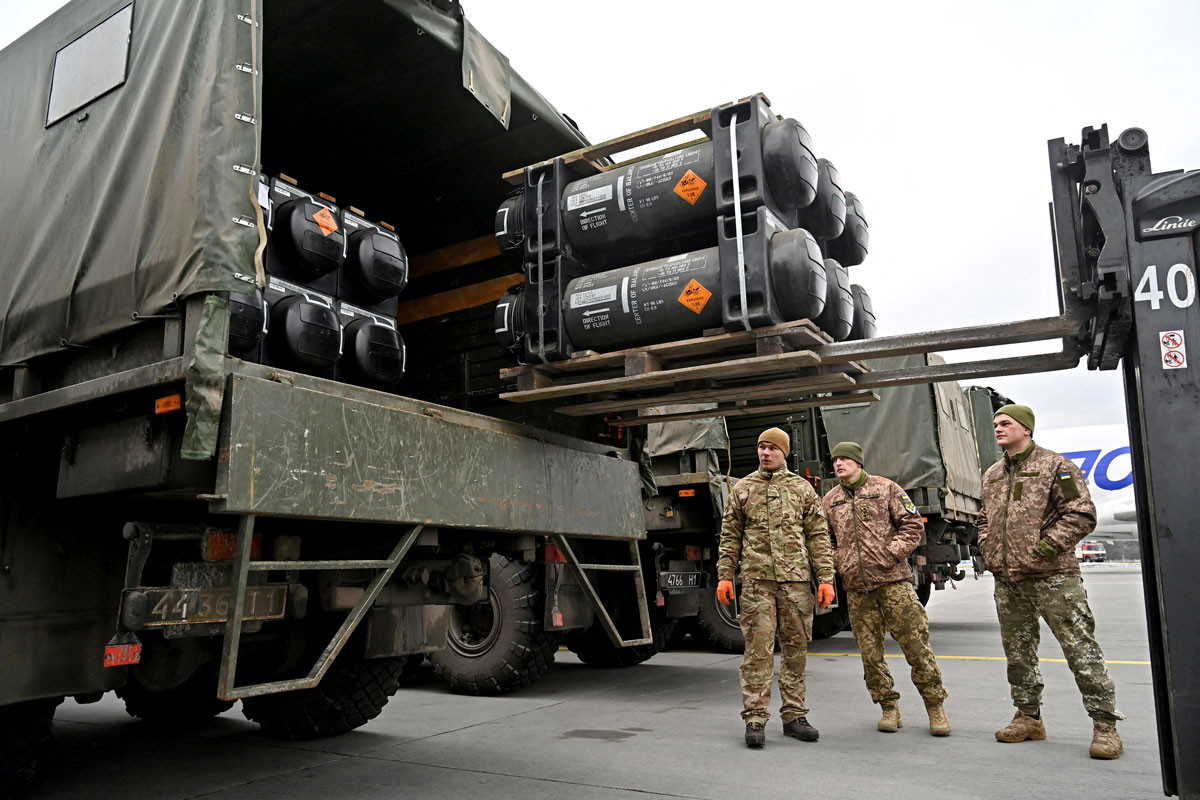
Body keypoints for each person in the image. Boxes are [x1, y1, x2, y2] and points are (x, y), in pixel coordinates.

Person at [979, 404, 1123, 759]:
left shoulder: (1055, 466)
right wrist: (987, 546)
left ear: (1026, 429)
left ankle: (1105, 727)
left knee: (1080, 650)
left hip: (1053, 577)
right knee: (1018, 653)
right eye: (995, 424)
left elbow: (1081, 513)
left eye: (1006, 423)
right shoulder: (993, 474)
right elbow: (984, 518)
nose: (998, 428)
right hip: (1009, 580)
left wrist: (1043, 547)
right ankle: (1028, 717)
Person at [716, 427, 836, 748]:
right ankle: (755, 717)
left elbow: (818, 537)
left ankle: (794, 715)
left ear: (785, 453)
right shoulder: (743, 489)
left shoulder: (802, 490)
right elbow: (730, 537)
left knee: (796, 649)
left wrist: (826, 579)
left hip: (796, 583)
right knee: (758, 650)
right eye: (761, 447)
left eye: (772, 448)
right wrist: (725, 575)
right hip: (757, 583)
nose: (765, 453)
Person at [821, 441, 950, 736]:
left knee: (916, 646)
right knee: (870, 654)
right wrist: (838, 562)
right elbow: (824, 539)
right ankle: (888, 707)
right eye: (835, 460)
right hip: (857, 589)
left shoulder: (886, 489)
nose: (839, 464)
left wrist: (892, 552)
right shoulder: (829, 501)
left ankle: (935, 706)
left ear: (858, 463)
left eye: (844, 459)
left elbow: (913, 524)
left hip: (893, 584)